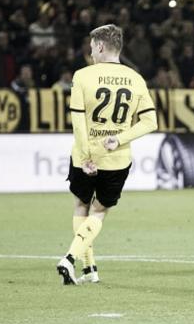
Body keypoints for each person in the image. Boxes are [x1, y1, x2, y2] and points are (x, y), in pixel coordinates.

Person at [56, 24, 158, 285]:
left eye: (92, 48)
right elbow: (150, 122)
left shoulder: (82, 76)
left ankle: (73, 259)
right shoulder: (136, 79)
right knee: (99, 211)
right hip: (118, 158)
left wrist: (87, 154)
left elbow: (78, 122)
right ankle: (87, 268)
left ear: (100, 46)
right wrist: (119, 138)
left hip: (84, 156)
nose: (91, 53)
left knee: (82, 205)